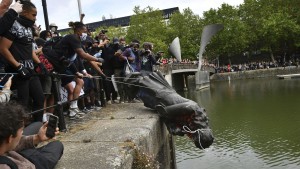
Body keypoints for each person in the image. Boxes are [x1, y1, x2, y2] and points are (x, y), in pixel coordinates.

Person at [0, 1, 46, 122]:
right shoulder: (13, 25)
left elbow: (29, 49)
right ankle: (19, 136)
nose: (35, 18)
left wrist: (40, 63)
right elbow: (3, 48)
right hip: (18, 72)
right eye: (33, 15)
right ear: (24, 13)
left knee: (40, 98)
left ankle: (37, 129)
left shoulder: (29, 28)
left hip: (30, 70)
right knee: (22, 104)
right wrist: (18, 66)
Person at [52, 21, 102, 119]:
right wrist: (97, 59)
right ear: (78, 30)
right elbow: (83, 55)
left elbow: (81, 59)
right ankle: (72, 110)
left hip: (66, 64)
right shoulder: (73, 38)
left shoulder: (77, 41)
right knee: (79, 82)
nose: (86, 33)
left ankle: (73, 110)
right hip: (58, 63)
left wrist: (100, 73)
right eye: (84, 31)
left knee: (78, 82)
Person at [0, 101, 64, 169]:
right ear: (10, 138)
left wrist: (37, 138)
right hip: (31, 163)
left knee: (37, 124)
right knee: (57, 145)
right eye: (21, 130)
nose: (22, 132)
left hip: (16, 154)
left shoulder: (5, 144)